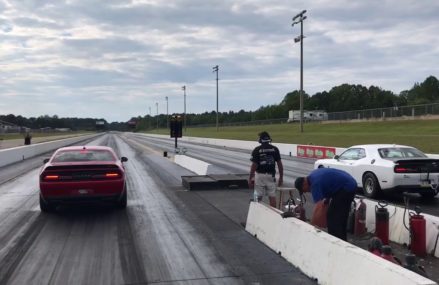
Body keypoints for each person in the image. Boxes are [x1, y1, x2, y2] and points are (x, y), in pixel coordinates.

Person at [294, 168, 356, 241]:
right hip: (349, 183)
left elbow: (318, 207)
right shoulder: (312, 176)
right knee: (340, 216)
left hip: (346, 188)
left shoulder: (315, 184)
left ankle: (336, 242)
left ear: (304, 184)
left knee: (333, 218)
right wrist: (326, 200)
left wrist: (311, 227)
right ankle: (342, 240)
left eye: (304, 190)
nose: (306, 192)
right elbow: (327, 184)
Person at [248, 131, 283, 207]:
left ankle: (257, 211)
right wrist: (281, 177)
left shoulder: (257, 150)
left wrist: (250, 178)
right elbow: (280, 164)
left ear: (261, 140)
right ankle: (273, 214)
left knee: (258, 197)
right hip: (271, 176)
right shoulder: (275, 149)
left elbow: (254, 165)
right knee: (272, 196)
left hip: (260, 176)